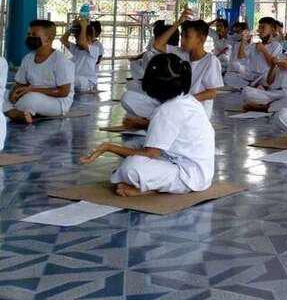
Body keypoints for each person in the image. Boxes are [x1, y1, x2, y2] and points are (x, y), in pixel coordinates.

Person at [80, 53, 214, 197]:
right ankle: (151, 182)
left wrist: (109, 147)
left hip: (188, 176)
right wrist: (144, 124)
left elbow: (151, 154)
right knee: (133, 146)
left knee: (131, 168)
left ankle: (150, 187)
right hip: (198, 169)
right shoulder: (188, 100)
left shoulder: (166, 110)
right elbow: (172, 128)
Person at [122, 12, 223, 124]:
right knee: (128, 98)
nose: (182, 41)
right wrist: (177, 23)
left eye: (187, 37)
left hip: (193, 110)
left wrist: (184, 101)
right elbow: (157, 45)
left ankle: (155, 119)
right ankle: (159, 118)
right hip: (174, 104)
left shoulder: (211, 61)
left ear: (201, 39)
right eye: (181, 36)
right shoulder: (180, 53)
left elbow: (212, 93)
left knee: (166, 110)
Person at [6, 20, 75, 123]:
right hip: (32, 94)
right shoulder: (28, 58)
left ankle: (10, 112)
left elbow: (64, 92)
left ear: (49, 38)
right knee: (4, 93)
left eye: (34, 35)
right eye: (29, 34)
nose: (30, 37)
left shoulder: (60, 60)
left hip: (58, 102)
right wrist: (13, 92)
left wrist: (33, 90)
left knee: (30, 99)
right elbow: (20, 83)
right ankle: (17, 113)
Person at [242, 27, 287, 113]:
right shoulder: (280, 56)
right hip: (276, 92)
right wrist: (273, 66)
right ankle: (274, 105)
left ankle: (265, 108)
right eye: (286, 38)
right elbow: (269, 81)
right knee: (246, 92)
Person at [223, 17, 283, 87]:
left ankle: (251, 87)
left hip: (263, 76)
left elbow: (272, 64)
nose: (260, 30)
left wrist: (263, 50)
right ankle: (250, 86)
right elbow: (241, 56)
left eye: (263, 28)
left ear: (272, 30)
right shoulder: (255, 45)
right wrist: (243, 40)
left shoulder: (276, 45)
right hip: (251, 75)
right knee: (228, 78)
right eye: (259, 28)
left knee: (264, 81)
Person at [63, 17, 101, 94]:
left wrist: (83, 26)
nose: (76, 40)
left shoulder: (94, 49)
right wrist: (72, 27)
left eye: (78, 37)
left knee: (68, 79)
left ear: (89, 38)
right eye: (76, 37)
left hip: (88, 82)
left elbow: (82, 42)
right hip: (77, 80)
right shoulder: (76, 49)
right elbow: (63, 39)